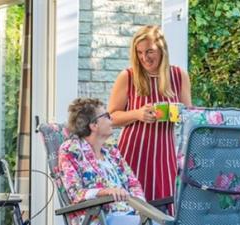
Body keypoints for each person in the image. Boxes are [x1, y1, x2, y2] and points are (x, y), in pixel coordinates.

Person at [107, 25, 192, 210]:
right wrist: (137, 113)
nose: (144, 58)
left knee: (165, 205)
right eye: (139, 52)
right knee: (132, 206)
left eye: (150, 51)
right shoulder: (128, 76)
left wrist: (179, 113)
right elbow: (111, 117)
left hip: (166, 152)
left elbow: (190, 115)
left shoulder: (179, 76)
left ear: (162, 49)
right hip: (134, 151)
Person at [58, 98, 146, 225]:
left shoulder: (111, 151)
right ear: (94, 125)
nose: (111, 120)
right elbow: (75, 193)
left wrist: (142, 210)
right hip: (99, 217)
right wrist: (105, 192)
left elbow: (133, 184)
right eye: (106, 116)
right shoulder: (71, 150)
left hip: (130, 215)